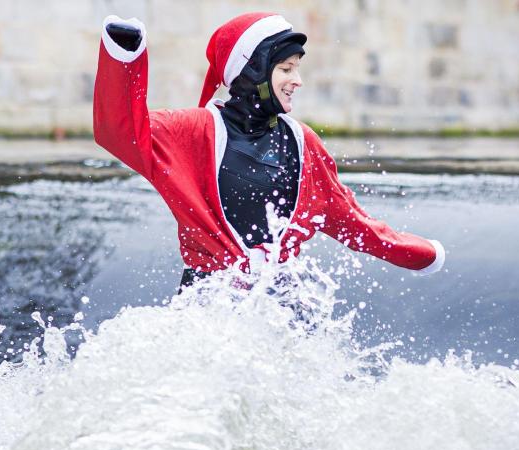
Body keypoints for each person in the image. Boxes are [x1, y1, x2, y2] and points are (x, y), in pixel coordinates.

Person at [93, 12, 445, 292]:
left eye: (297, 69)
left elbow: (349, 219)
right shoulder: (193, 132)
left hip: (282, 303)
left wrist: (419, 254)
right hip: (208, 304)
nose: (297, 80)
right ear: (252, 71)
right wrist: (124, 57)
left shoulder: (303, 142)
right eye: (285, 69)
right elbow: (121, 132)